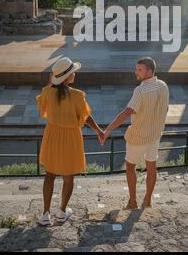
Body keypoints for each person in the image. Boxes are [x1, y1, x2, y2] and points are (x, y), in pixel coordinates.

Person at [36, 57, 104, 226]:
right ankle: (61, 212)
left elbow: (43, 106)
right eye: (73, 72)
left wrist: (51, 82)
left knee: (49, 175)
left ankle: (45, 214)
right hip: (71, 137)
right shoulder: (77, 95)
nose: (75, 73)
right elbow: (86, 117)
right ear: (68, 77)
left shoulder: (47, 92)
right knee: (68, 177)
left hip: (52, 134)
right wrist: (99, 131)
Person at [102, 57, 169, 210]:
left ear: (149, 72)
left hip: (138, 136)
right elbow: (165, 109)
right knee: (151, 167)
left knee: (130, 167)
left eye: (139, 70)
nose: (135, 72)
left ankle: (133, 201)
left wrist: (108, 129)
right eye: (136, 69)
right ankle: (148, 200)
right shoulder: (163, 86)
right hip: (155, 134)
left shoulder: (140, 90)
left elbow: (127, 112)